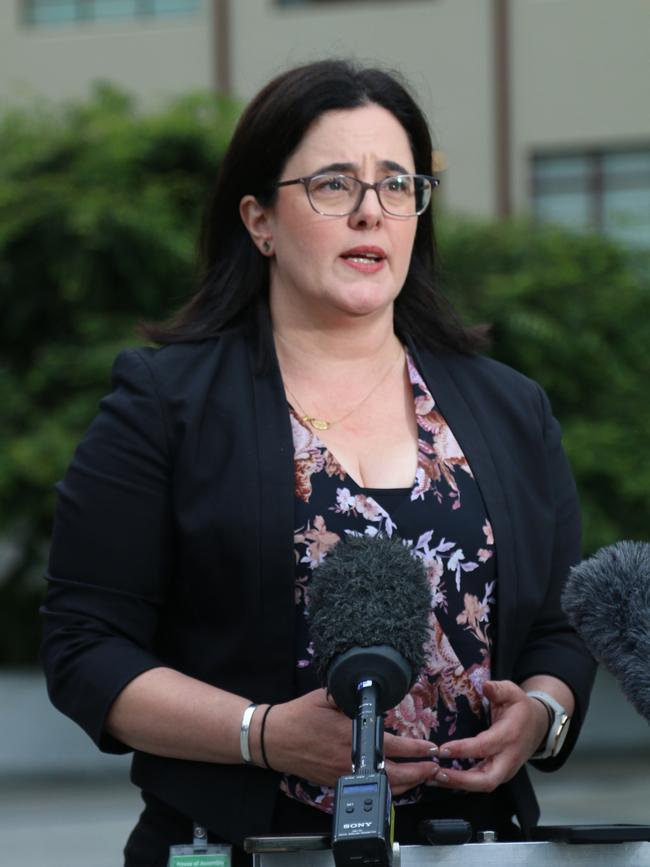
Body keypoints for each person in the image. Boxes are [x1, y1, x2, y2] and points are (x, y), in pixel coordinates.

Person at [41, 59, 596, 866]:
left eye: (396, 185)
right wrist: (262, 735)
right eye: (334, 185)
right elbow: (86, 645)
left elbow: (560, 623)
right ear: (259, 219)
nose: (371, 212)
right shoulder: (166, 402)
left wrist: (544, 713)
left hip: (473, 847)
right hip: (239, 844)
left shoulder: (512, 407)